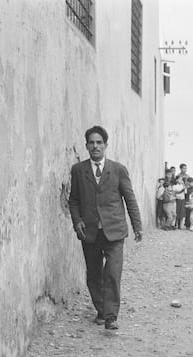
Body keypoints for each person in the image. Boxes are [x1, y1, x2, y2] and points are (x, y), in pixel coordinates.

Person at [68, 125, 143, 330]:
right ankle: (101, 310)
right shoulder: (78, 170)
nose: (95, 146)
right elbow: (73, 200)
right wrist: (77, 221)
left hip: (115, 231)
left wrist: (137, 225)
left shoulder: (118, 169)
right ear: (86, 146)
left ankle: (111, 317)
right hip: (90, 232)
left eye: (99, 142)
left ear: (106, 145)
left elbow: (130, 199)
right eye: (91, 143)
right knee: (94, 274)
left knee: (112, 272)